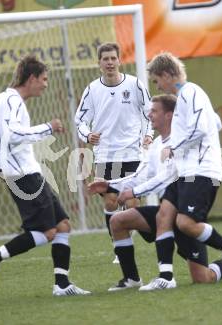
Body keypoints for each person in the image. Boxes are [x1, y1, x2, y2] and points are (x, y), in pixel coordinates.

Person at [89, 94, 222, 291]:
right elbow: (142, 176)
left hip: (182, 213)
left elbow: (164, 178)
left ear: (169, 115)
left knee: (202, 278)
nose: (150, 115)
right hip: (164, 211)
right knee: (118, 221)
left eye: (154, 111)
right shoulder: (156, 146)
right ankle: (133, 278)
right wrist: (110, 186)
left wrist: (133, 192)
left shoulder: (182, 142)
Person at [133, 52, 222, 290]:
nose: (157, 85)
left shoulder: (191, 92)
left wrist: (174, 148)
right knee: (165, 215)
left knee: (186, 223)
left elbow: (200, 128)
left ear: (168, 74)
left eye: (157, 80)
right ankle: (165, 278)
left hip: (201, 170)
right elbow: (213, 123)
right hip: (185, 171)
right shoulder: (184, 97)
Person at [0, 55, 90, 296]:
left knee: (62, 225)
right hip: (25, 176)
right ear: (32, 78)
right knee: (47, 232)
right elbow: (14, 135)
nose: (46, 84)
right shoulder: (12, 101)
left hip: (28, 173)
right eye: (44, 79)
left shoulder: (0, 101)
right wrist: (48, 127)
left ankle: (62, 285)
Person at [74, 42, 153, 262]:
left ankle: (131, 238)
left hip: (132, 152)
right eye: (105, 59)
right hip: (105, 154)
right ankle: (119, 246)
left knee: (131, 202)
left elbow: (149, 114)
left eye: (113, 58)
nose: (109, 62)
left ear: (119, 60)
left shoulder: (135, 84)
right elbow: (79, 120)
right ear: (99, 63)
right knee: (110, 201)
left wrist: (149, 135)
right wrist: (88, 135)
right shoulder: (92, 89)